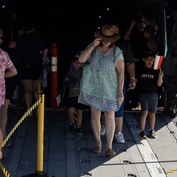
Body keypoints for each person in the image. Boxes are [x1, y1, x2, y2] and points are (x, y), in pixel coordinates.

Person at [77, 25, 125, 157]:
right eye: (103, 38)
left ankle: (109, 147)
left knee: (110, 116)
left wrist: (120, 92)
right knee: (95, 115)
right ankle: (98, 143)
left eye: (109, 39)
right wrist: (92, 45)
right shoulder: (93, 48)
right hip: (93, 87)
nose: (106, 41)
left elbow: (121, 73)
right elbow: (81, 59)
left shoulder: (117, 52)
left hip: (109, 89)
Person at [13, 23, 47, 111]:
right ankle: (39, 109)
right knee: (36, 89)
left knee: (28, 90)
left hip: (24, 65)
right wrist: (42, 59)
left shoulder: (20, 39)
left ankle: (29, 109)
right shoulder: (38, 38)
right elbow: (45, 50)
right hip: (37, 65)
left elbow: (15, 51)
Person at [135, 51, 163, 139]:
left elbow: (159, 84)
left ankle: (151, 129)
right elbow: (136, 80)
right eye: (148, 59)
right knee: (144, 112)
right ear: (144, 60)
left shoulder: (156, 71)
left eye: (151, 59)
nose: (149, 61)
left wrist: (160, 77)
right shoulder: (140, 70)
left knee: (153, 113)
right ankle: (142, 130)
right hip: (143, 94)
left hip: (153, 94)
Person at [64, 55, 85, 135]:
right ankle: (72, 123)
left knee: (80, 111)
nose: (76, 64)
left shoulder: (83, 71)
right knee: (70, 110)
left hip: (80, 94)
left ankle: (78, 126)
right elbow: (66, 81)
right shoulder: (70, 71)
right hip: (71, 93)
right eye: (75, 62)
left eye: (78, 63)